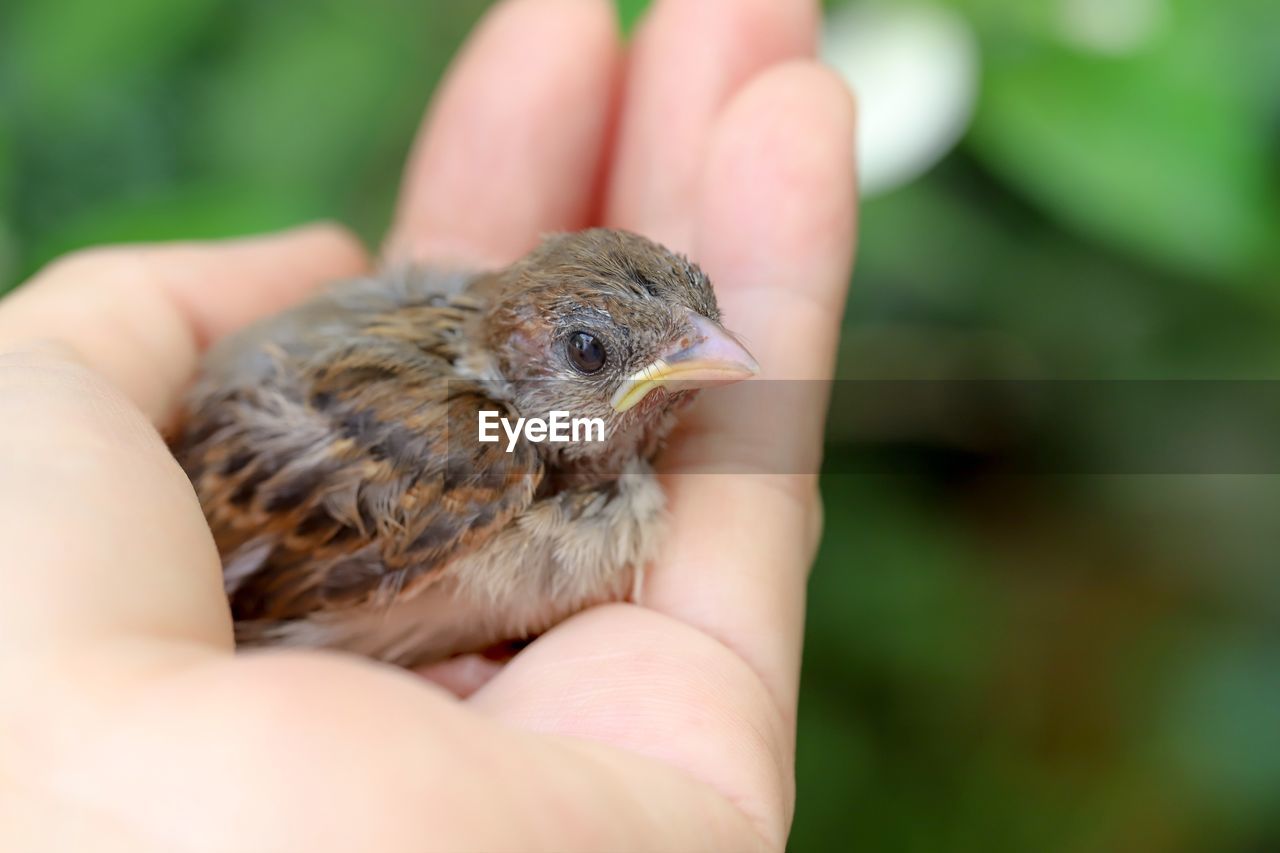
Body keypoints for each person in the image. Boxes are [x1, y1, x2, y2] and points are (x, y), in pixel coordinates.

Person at [0, 0, 855, 849]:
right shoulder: (476, 462)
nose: (711, 354)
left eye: (700, 331)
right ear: (516, 352)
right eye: (594, 352)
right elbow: (252, 580)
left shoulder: (561, 460)